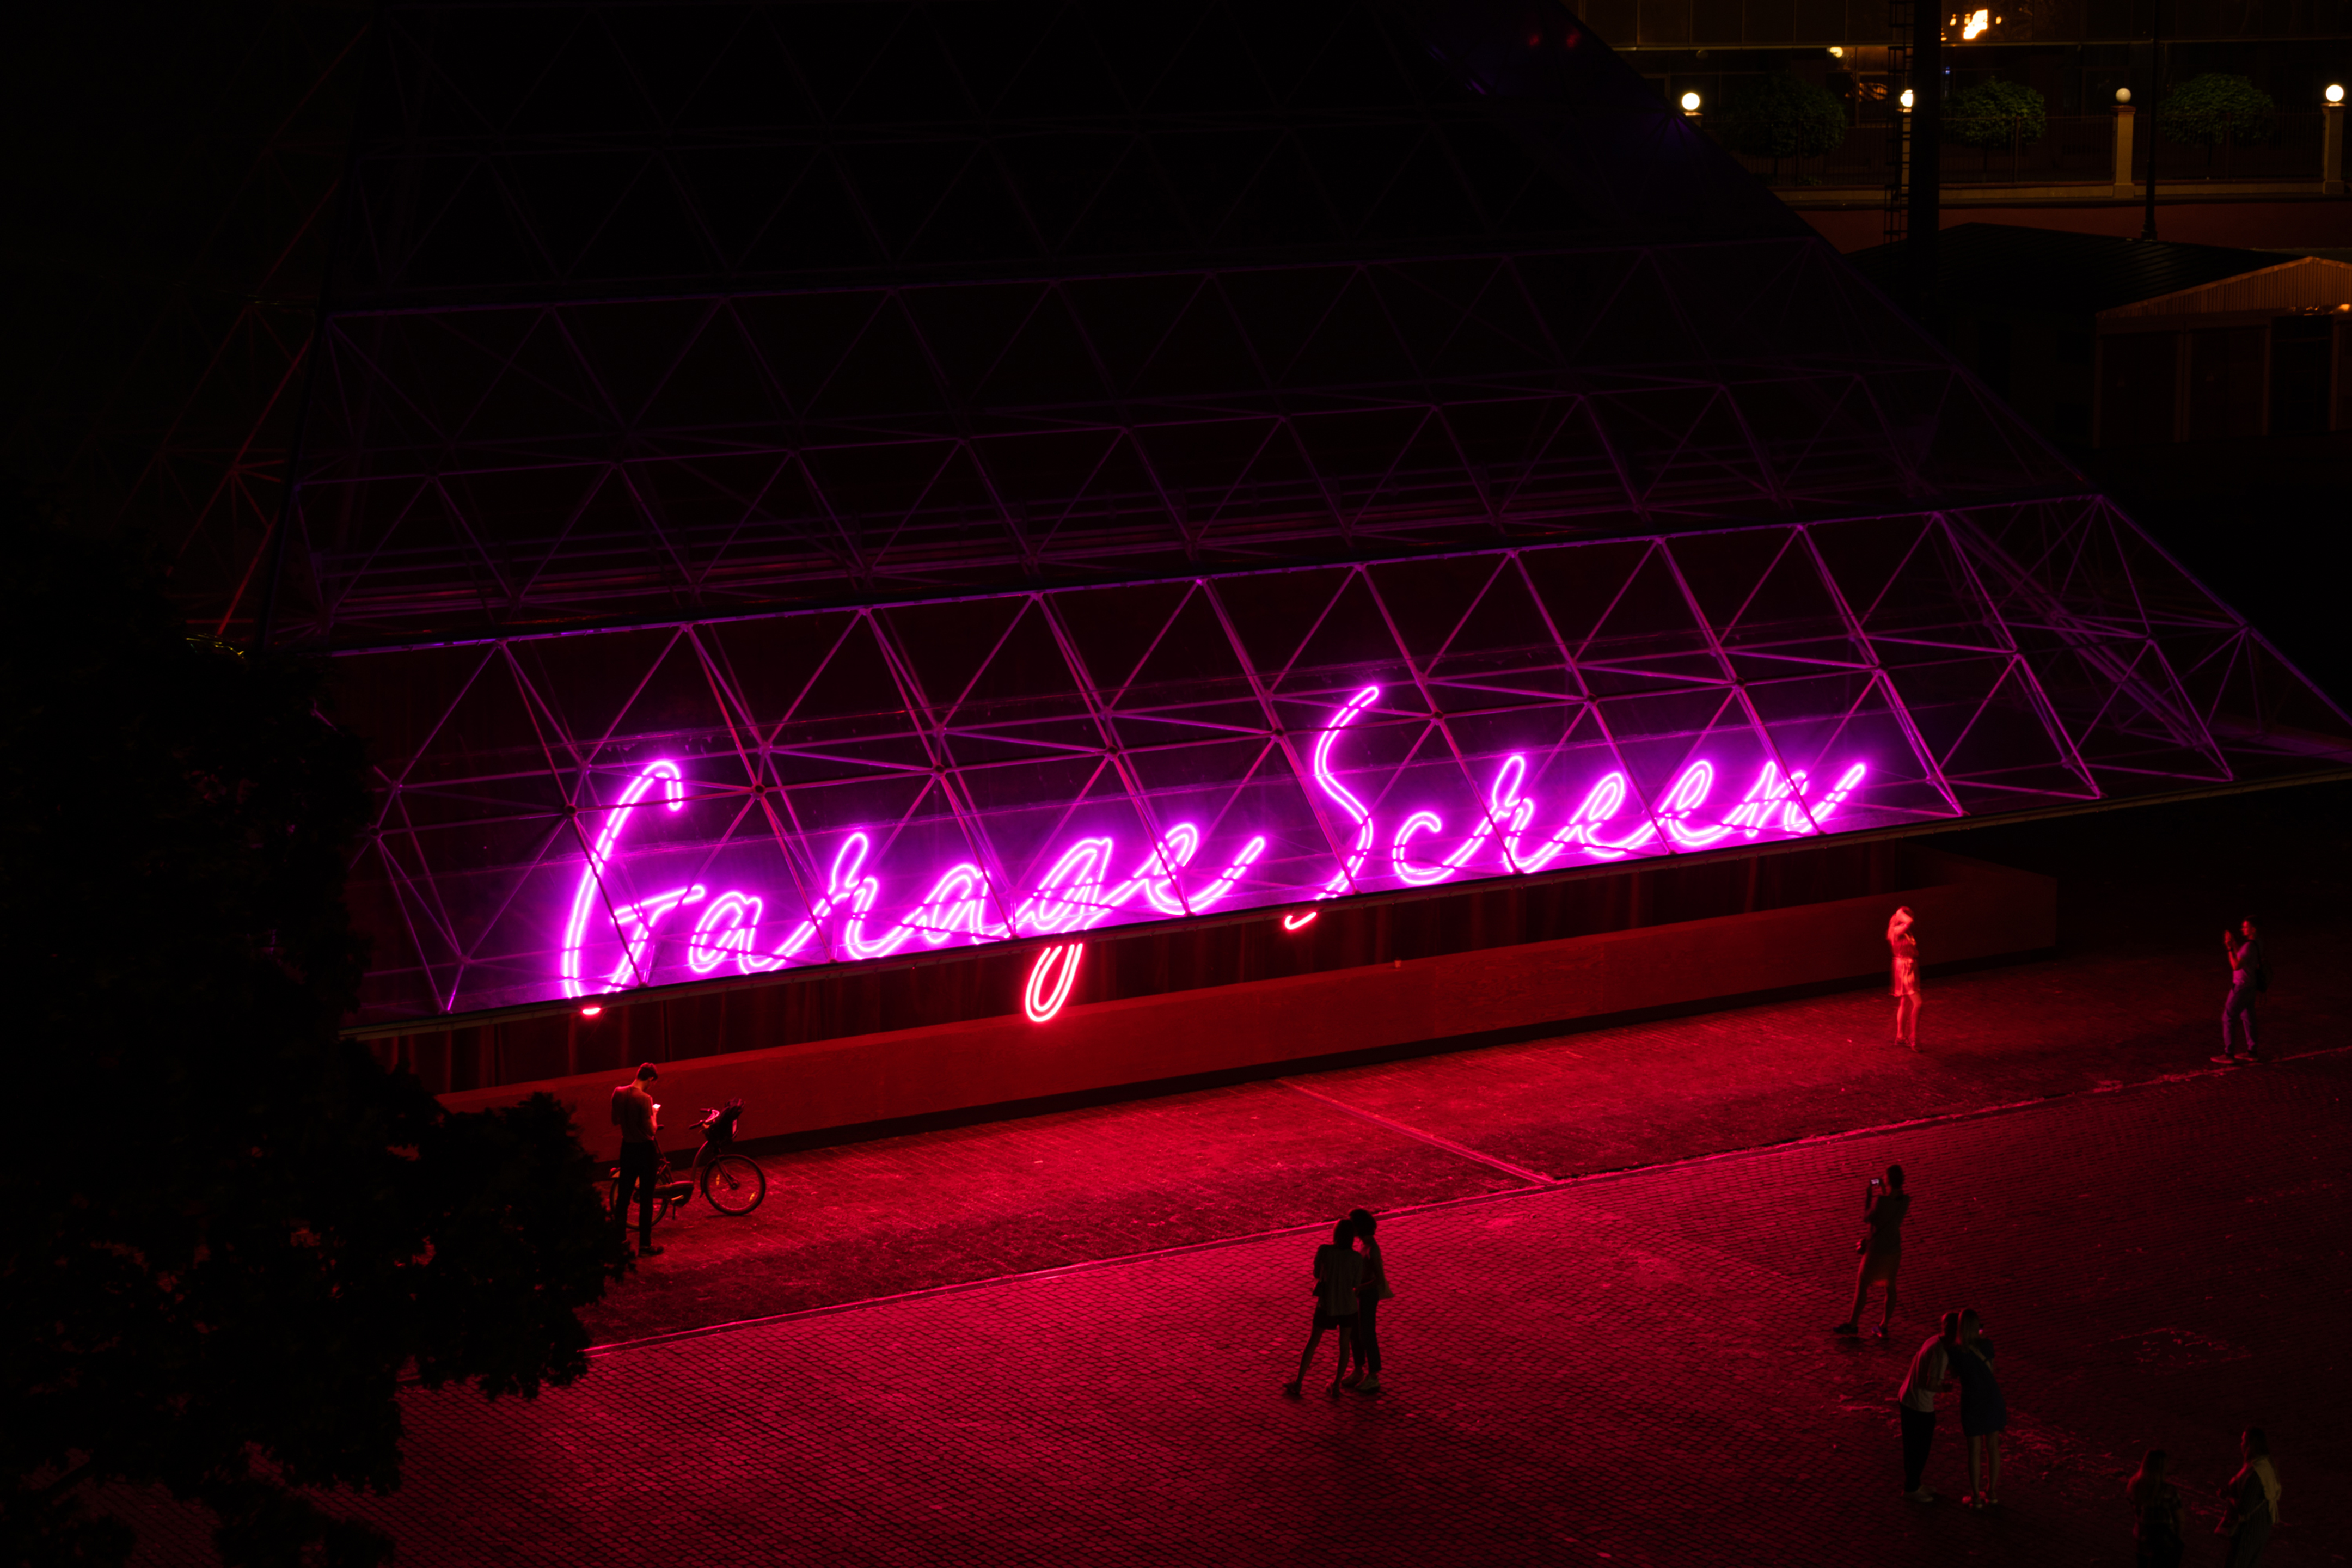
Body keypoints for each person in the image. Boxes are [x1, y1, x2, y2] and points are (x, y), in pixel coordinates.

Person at [1283, 1219, 1361, 1399]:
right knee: (1344, 1345)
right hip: (1348, 1306)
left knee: (1313, 1341)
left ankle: (1299, 1382)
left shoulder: (1325, 1251)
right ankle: (1336, 1385)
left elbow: (1316, 1274)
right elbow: (1356, 1283)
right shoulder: (1356, 1258)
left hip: (1327, 1304)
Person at [1832, 1163, 1909, 1337]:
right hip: (1894, 1249)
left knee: (1862, 1284)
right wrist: (1884, 1190)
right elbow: (1890, 1208)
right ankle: (1884, 1325)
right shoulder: (1905, 1200)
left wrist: (1869, 1196)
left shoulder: (1881, 1201)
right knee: (1890, 1287)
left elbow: (1868, 1218)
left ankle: (1853, 1324)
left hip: (1877, 1250)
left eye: (1885, 1177)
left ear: (1888, 1180)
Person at [1895, 1310, 1959, 1503]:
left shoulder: (1934, 1341)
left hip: (1908, 1396)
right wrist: (1944, 1387)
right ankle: (1911, 1488)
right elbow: (1930, 1384)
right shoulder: (1941, 1354)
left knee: (1912, 1445)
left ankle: (1915, 1483)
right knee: (1920, 1448)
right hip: (1919, 1404)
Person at [1951, 1308, 2005, 1509]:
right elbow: (1993, 1368)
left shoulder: (1956, 1352)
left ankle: (1975, 1496)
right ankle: (1992, 1492)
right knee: (1993, 1447)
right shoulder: (1987, 1345)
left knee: (1974, 1450)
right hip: (1992, 1398)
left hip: (1972, 1400)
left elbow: (1954, 1374)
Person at [610, 1062, 664, 1258]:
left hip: (627, 1148)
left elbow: (615, 1121)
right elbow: (652, 1130)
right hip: (645, 1151)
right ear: (650, 1079)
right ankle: (645, 1245)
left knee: (623, 1197)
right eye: (652, 1082)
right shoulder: (645, 1099)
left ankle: (620, 1241)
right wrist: (654, 1113)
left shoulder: (618, 1092)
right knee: (647, 1198)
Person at [1340, 1208, 1393, 1394]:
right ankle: (1359, 1370)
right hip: (1360, 1292)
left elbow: (1379, 1279)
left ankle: (1373, 1375)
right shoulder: (1362, 1243)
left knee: (1367, 1334)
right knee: (1356, 1332)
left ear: (1359, 1227)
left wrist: (1360, 1288)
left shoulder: (1372, 1249)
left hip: (1368, 1294)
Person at [2217, 1427, 2281, 1567]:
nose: (2241, 1444)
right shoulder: (2266, 1465)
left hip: (2249, 1529)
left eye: (2243, 1440)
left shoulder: (2256, 1472)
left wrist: (2227, 1497)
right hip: (2260, 1527)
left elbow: (2245, 1507)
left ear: (2249, 1445)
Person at [2213, 918, 2265, 1065]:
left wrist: (2229, 949)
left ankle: (2229, 1054)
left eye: (2246, 927)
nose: (2243, 929)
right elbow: (2244, 958)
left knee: (2228, 1017)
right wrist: (2234, 944)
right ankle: (2252, 1052)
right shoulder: (2258, 943)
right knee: (2249, 1018)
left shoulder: (2249, 946)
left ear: (2253, 929)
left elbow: (2236, 965)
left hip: (2241, 987)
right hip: (2251, 986)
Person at [2127, 1449, 2187, 1568]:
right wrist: (2177, 1538)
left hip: (2141, 1539)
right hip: (2163, 1544)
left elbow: (2134, 1510)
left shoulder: (2134, 1485)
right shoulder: (2169, 1491)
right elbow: (2180, 1519)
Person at [1888, 907, 1922, 1050]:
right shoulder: (1897, 931)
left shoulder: (1904, 932)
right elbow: (1909, 921)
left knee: (1905, 1002)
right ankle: (1914, 1037)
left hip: (1908, 966)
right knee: (1918, 1003)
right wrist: (1900, 913)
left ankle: (1900, 1036)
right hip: (1904, 968)